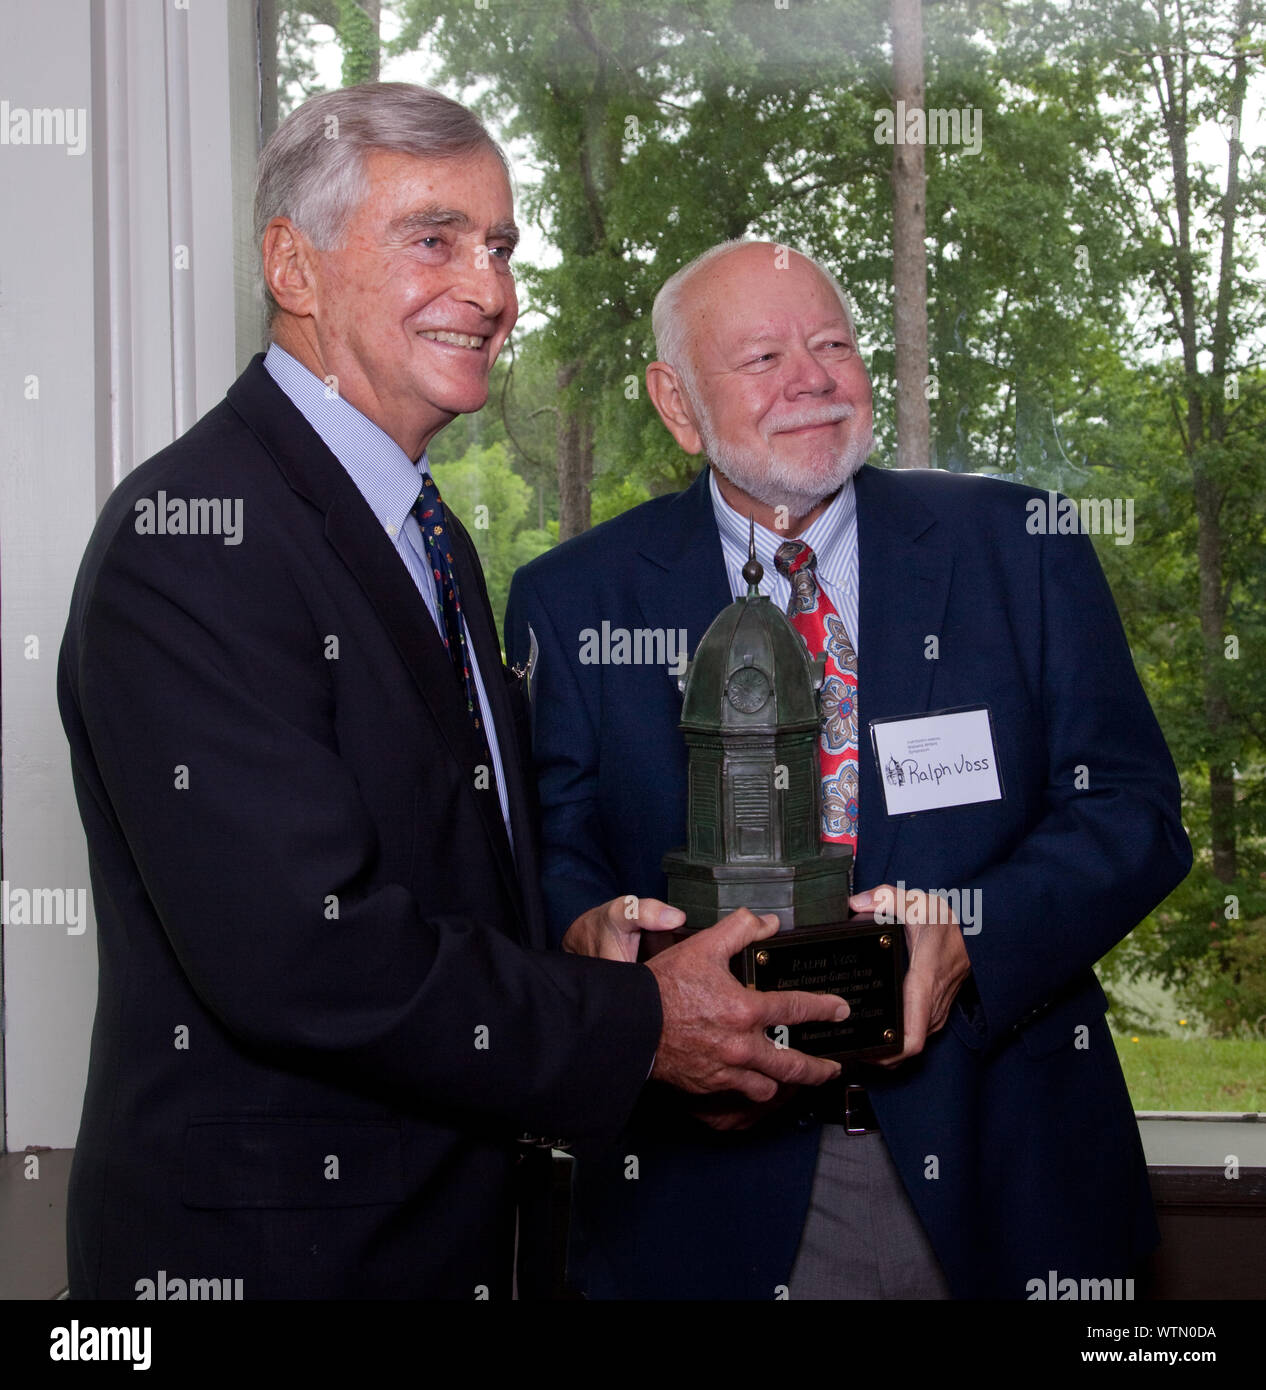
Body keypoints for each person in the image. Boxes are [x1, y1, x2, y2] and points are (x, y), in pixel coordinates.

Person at [56, 92, 847, 1301]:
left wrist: (566, 938)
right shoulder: (194, 541)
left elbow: (437, 870)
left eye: (501, 246)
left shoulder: (429, 536)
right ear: (292, 266)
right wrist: (635, 1020)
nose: (490, 291)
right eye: (435, 238)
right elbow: (305, 954)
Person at [505, 238, 1192, 1299]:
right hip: (705, 1199)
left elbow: (1135, 813)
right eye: (764, 356)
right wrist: (587, 934)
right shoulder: (577, 600)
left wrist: (971, 934)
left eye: (831, 343)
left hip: (1004, 1170)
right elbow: (554, 849)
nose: (812, 378)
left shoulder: (1021, 545)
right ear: (677, 403)